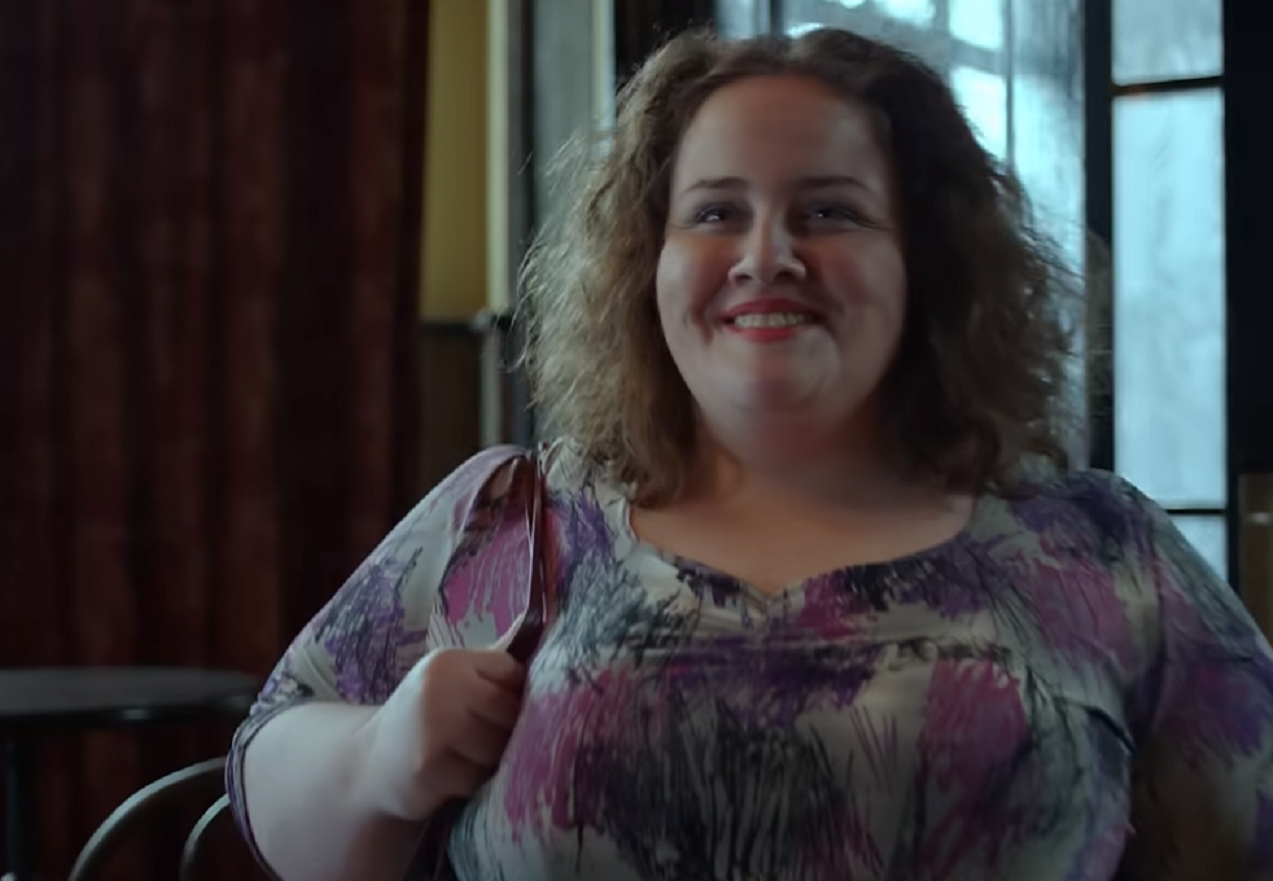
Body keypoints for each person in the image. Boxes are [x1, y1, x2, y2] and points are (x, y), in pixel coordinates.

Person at [228, 26, 1273, 881]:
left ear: (925, 264)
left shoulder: (1104, 551)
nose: (767, 254)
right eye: (717, 211)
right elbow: (271, 774)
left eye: (828, 211)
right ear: (649, 262)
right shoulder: (516, 518)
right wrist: (377, 756)